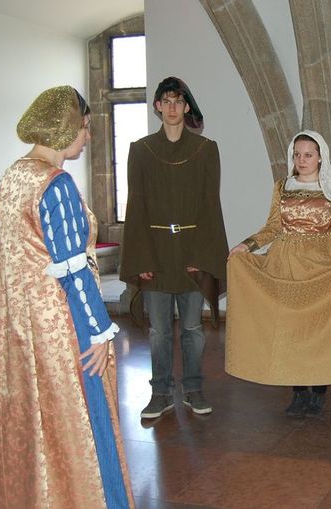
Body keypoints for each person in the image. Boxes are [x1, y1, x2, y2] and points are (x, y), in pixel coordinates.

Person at [0, 86, 134, 508]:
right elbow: (73, 268)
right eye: (85, 127)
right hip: (60, 324)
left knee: (28, 413)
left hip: (19, 324)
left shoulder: (11, 177)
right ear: (66, 127)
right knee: (77, 416)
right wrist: (99, 331)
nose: (88, 136)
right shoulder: (55, 184)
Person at [226, 130, 331, 417]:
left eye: (308, 155)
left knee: (317, 328)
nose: (302, 160)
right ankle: (299, 392)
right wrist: (247, 245)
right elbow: (273, 227)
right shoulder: (282, 186)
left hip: (319, 263)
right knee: (290, 328)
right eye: (297, 154)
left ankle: (319, 392)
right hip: (285, 263)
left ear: (320, 158)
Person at [120, 76, 228, 419]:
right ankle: (161, 393)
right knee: (159, 331)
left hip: (192, 254)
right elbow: (136, 207)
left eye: (178, 101)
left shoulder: (205, 149)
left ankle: (193, 389)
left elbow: (210, 207)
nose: (171, 108)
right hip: (155, 254)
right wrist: (141, 259)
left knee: (193, 329)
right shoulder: (141, 150)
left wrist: (203, 256)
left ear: (186, 107)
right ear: (157, 106)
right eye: (166, 101)